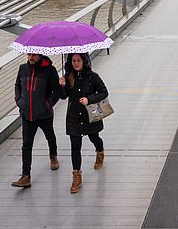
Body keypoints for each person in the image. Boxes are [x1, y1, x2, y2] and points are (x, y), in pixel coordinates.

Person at [59, 52, 109, 194]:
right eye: (73, 60)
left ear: (84, 61)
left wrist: (89, 99)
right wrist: (61, 85)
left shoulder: (93, 76)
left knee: (94, 138)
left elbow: (104, 92)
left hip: (89, 116)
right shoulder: (68, 77)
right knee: (75, 147)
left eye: (78, 60)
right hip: (74, 117)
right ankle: (77, 177)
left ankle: (100, 151)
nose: (76, 63)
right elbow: (63, 97)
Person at [12, 53, 62, 188]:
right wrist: (19, 101)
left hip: (44, 114)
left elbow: (56, 91)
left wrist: (47, 105)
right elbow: (17, 86)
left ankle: (53, 156)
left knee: (50, 136)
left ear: (40, 55)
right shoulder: (23, 68)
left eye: (34, 55)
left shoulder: (50, 70)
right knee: (26, 145)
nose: (30, 57)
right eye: (29, 54)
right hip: (27, 114)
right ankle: (25, 176)